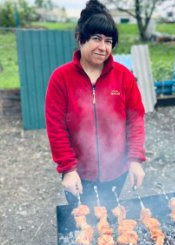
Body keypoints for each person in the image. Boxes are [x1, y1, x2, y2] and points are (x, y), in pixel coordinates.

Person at [45, 0, 146, 208]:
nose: (103, 47)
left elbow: (135, 120)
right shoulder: (61, 78)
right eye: (96, 39)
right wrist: (68, 169)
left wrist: (135, 160)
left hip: (117, 170)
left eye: (108, 41)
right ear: (80, 38)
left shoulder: (124, 77)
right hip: (78, 173)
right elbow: (56, 128)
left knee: (109, 221)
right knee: (82, 226)